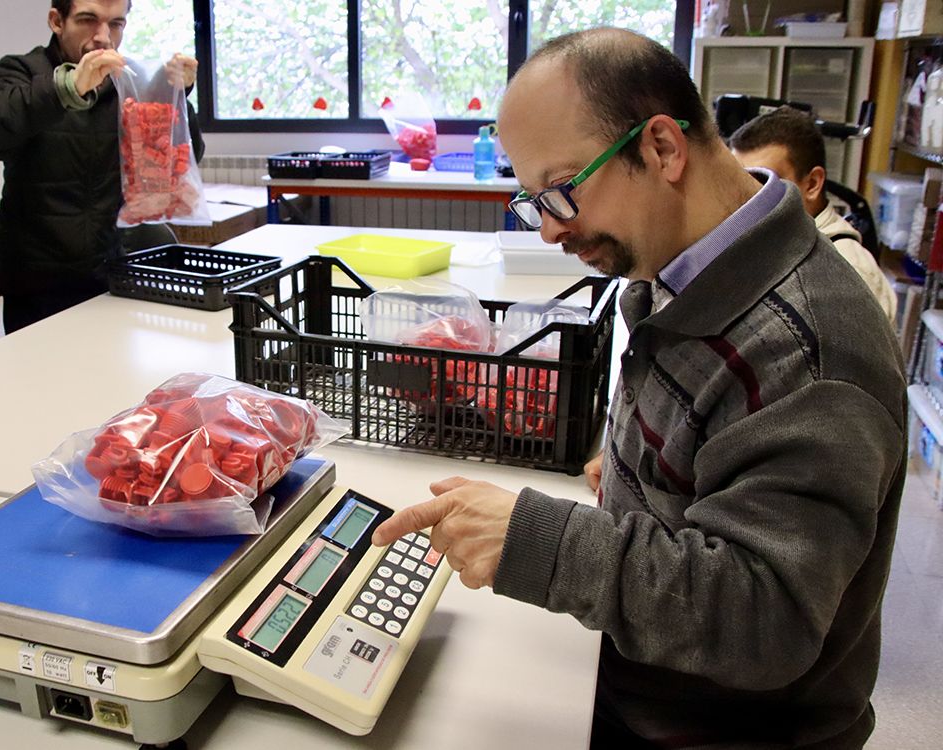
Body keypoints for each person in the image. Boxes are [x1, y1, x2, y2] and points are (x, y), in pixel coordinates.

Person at [371, 28, 906, 749]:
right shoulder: (685, 267)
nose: (552, 232)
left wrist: (542, 542)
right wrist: (640, 473)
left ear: (661, 148)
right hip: (641, 674)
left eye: (560, 193)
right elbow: (712, 455)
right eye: (533, 205)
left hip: (714, 730)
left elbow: (766, 622)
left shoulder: (809, 354)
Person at [0, 0, 204, 334]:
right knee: (37, 380)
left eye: (116, 24)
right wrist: (68, 87)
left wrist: (175, 95)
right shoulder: (22, 71)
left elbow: (183, 158)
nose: (103, 37)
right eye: (88, 20)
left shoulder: (128, 83)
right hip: (37, 280)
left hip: (111, 273)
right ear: (56, 21)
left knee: (108, 377)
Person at [729, 106, 898, 322]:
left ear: (812, 184)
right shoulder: (779, 242)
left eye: (765, 183)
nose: (749, 200)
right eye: (742, 184)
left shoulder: (847, 271)